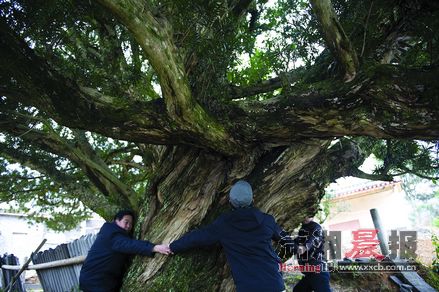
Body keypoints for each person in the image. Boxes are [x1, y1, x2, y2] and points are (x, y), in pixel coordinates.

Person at [169, 180, 295, 292]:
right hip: (274, 284)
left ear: (230, 202)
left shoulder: (224, 224)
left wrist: (172, 247)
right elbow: (288, 241)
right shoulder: (268, 221)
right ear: (253, 200)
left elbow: (196, 238)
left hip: (248, 287)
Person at [79, 209, 170, 292]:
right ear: (117, 220)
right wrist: (154, 247)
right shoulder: (112, 234)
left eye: (131, 224)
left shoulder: (111, 232)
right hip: (95, 281)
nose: (129, 226)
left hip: (97, 280)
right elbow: (130, 245)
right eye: (126, 222)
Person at [291, 216, 331, 292]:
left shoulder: (316, 227)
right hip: (310, 272)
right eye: (305, 215)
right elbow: (297, 241)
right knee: (298, 290)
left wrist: (305, 247)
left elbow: (314, 240)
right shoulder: (303, 229)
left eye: (310, 216)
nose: (306, 218)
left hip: (318, 270)